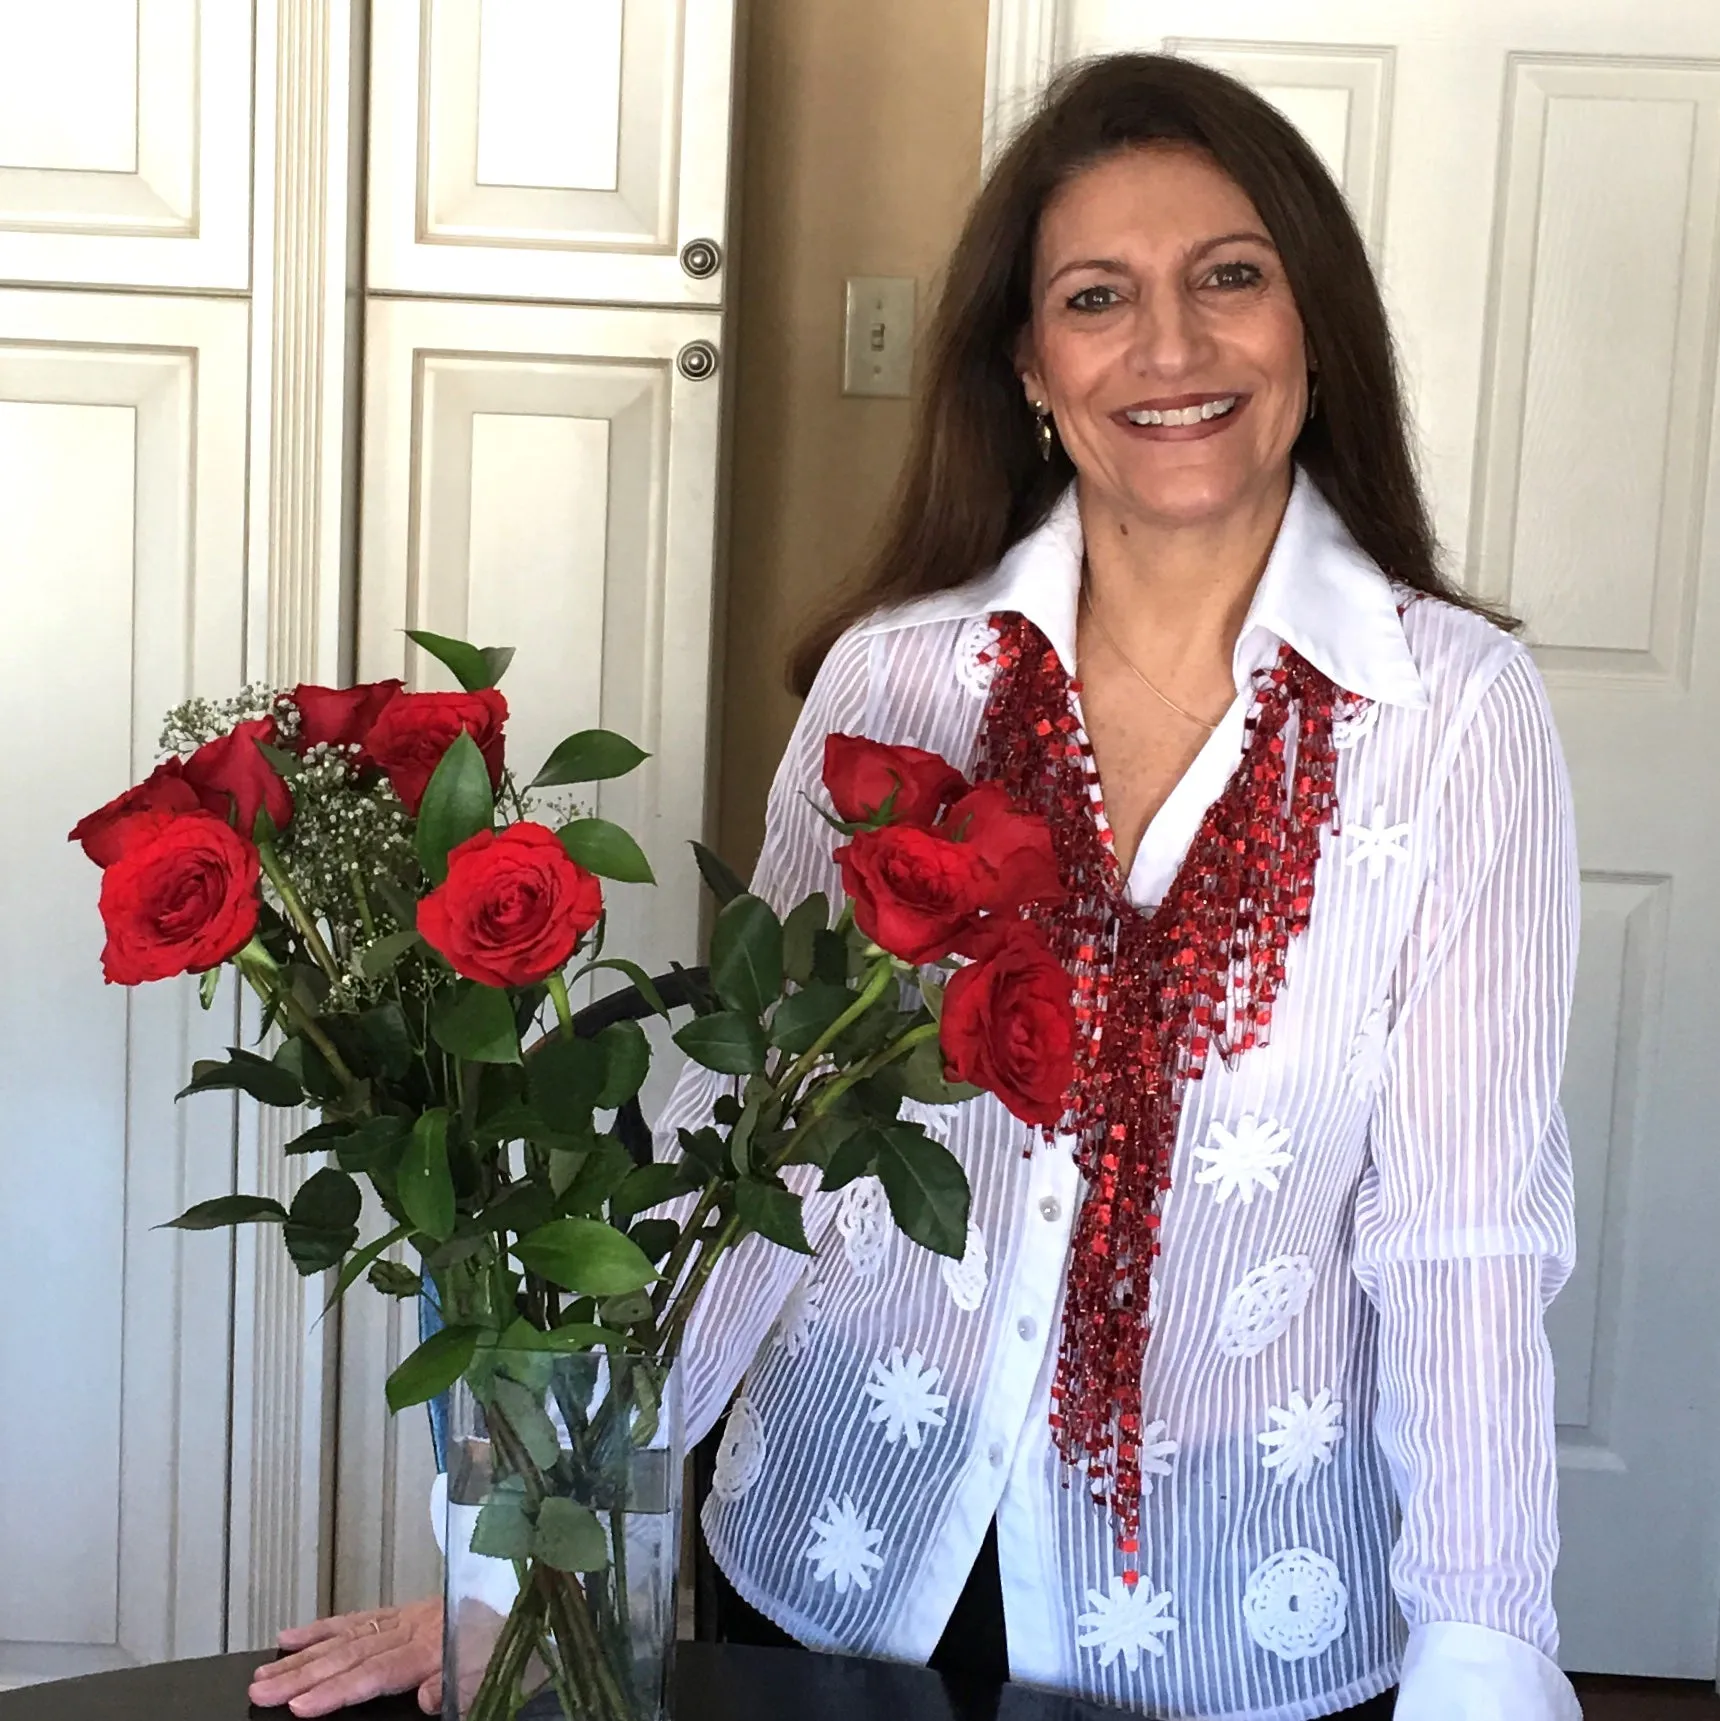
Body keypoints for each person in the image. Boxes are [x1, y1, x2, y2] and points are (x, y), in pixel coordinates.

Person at [251, 52, 1581, 1721]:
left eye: (1230, 277)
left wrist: (1485, 1655)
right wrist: (531, 1556)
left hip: (1241, 1606)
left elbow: (1462, 1238)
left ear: (1315, 323)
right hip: (840, 1561)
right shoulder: (896, 685)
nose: (1171, 347)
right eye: (1098, 297)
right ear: (1031, 367)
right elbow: (754, 1144)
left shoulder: (1452, 714)